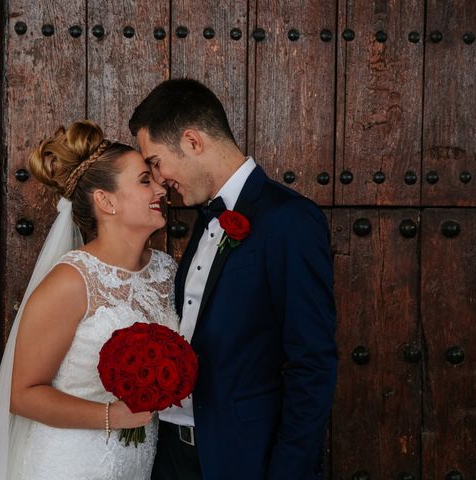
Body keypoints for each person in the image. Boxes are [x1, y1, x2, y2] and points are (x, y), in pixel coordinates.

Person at [129, 79, 337, 479]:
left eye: (155, 161)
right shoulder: (205, 217)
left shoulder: (290, 221)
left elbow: (313, 363)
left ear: (192, 141)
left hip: (243, 461)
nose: (158, 178)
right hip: (171, 456)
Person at [0, 120, 179, 479]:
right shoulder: (71, 281)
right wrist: (112, 416)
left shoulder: (167, 271)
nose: (161, 187)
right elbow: (23, 394)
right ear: (106, 201)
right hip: (70, 463)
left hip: (140, 461)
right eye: (145, 180)